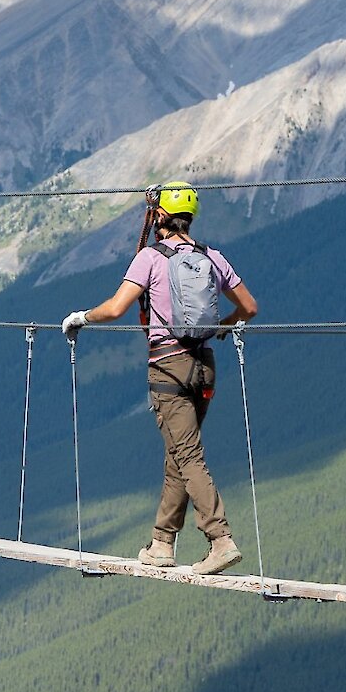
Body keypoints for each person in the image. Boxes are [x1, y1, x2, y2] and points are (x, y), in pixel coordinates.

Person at [61, 182, 257, 575]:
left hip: (168, 367)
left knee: (187, 456)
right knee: (178, 456)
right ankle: (162, 543)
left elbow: (117, 309)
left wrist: (80, 317)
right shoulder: (212, 257)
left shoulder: (150, 258)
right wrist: (222, 326)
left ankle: (220, 540)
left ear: (160, 217)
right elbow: (249, 307)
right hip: (204, 366)